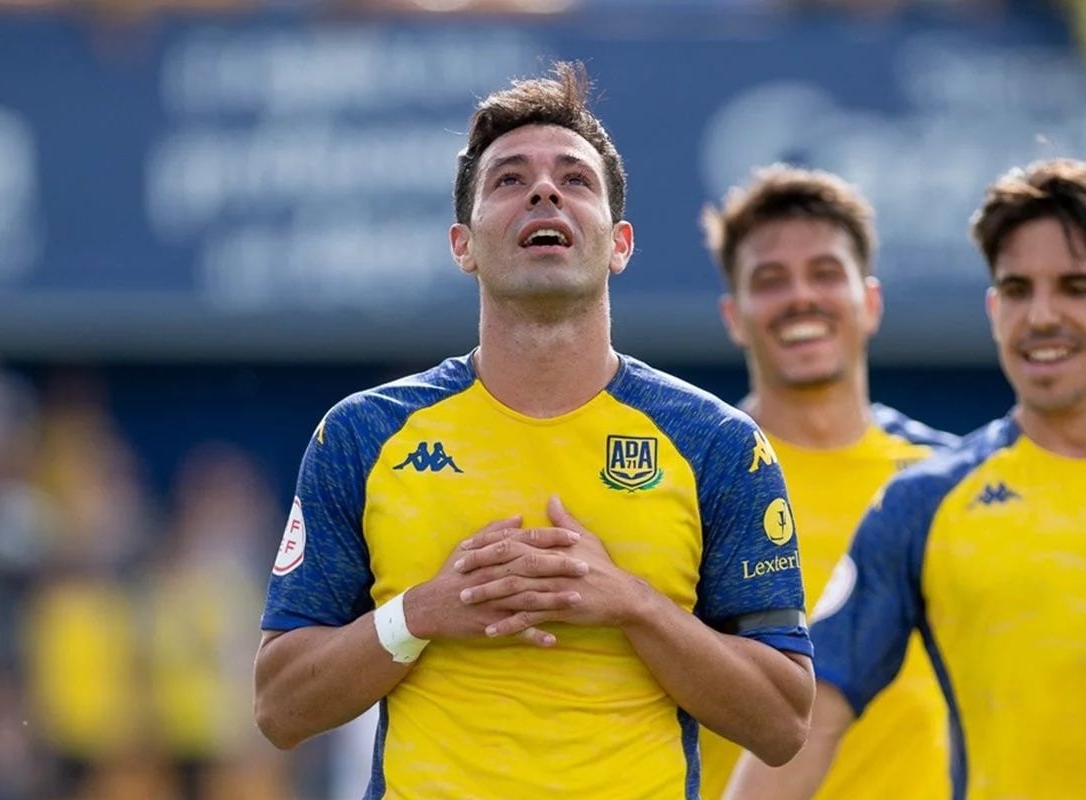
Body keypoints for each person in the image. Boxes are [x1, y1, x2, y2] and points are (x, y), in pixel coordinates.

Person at [252, 61, 815, 800]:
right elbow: (279, 708)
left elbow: (781, 723)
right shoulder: (363, 433)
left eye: (575, 180)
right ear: (463, 245)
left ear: (619, 243)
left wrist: (631, 603)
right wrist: (419, 614)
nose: (544, 190)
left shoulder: (715, 441)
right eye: (509, 179)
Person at [725, 157, 1086, 799]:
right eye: (1018, 290)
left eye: (1077, 287)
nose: (1041, 316)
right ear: (994, 309)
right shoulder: (922, 504)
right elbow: (805, 728)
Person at [698, 165, 957, 800]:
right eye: (770, 280)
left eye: (824, 273)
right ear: (734, 316)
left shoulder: (950, 478)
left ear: (869, 301)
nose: (800, 298)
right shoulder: (690, 477)